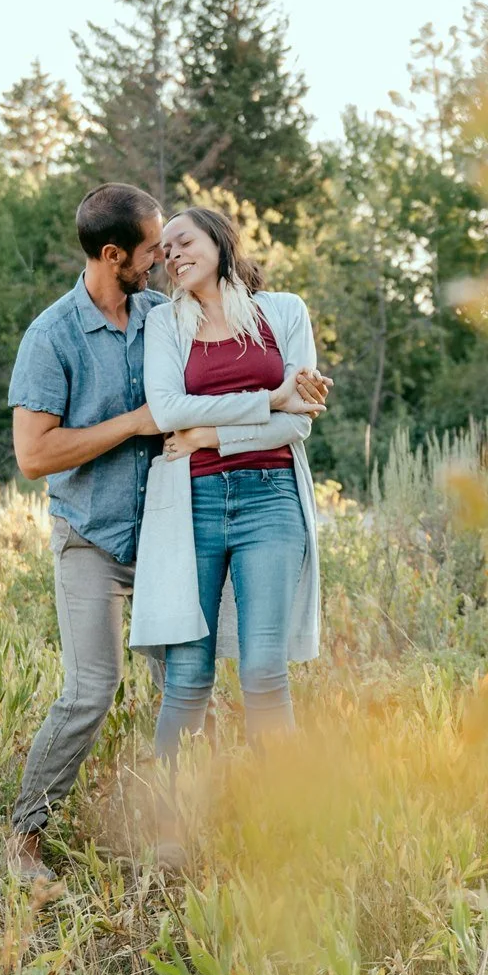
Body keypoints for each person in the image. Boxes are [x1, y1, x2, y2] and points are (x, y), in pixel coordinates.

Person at [128, 207, 329, 797]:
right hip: (192, 505)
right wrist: (271, 397)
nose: (173, 254)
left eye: (182, 240)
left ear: (218, 238)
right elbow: (167, 411)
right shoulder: (167, 326)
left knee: (265, 671)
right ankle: (168, 818)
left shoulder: (284, 312)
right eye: (164, 251)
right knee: (188, 674)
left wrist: (210, 435)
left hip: (272, 500)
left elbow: (302, 421)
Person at [5, 181, 166, 881]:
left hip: (166, 541)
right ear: (112, 254)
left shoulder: (162, 315)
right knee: (89, 692)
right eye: (151, 250)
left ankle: (176, 834)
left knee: (187, 689)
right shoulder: (52, 335)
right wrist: (132, 422)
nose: (160, 260)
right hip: (89, 538)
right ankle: (22, 838)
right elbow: (34, 455)